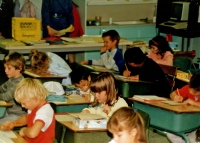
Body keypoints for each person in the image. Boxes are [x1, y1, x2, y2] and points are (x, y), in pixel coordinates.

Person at [1, 78, 55, 143]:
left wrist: (24, 130)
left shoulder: (44, 112)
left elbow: (32, 134)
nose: (22, 106)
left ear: (35, 99)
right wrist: (13, 124)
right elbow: (26, 118)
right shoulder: (34, 107)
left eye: (23, 103)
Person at [167, 73, 200, 143]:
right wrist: (175, 97)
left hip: (198, 126)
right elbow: (172, 94)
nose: (190, 92)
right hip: (188, 121)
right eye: (190, 88)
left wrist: (193, 102)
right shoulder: (188, 88)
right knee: (171, 134)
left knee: (193, 140)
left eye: (193, 91)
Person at [0, 52, 26, 124]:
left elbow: (6, 97)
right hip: (8, 112)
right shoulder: (12, 79)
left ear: (19, 68)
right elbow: (1, 88)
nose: (5, 71)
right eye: (5, 68)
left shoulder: (19, 83)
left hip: (18, 115)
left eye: (9, 68)